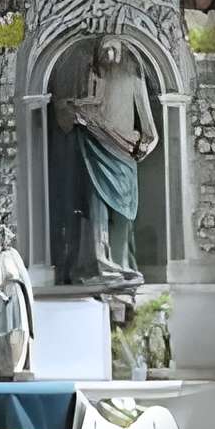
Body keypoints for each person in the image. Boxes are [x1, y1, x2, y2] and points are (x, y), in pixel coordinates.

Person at [58, 34, 157, 287]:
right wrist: (78, 115)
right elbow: (66, 116)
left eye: (114, 50)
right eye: (104, 51)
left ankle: (122, 265)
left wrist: (142, 146)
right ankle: (99, 263)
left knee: (124, 215)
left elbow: (150, 131)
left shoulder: (133, 79)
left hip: (124, 154)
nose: (109, 56)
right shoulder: (90, 81)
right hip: (94, 148)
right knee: (96, 208)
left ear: (123, 52)